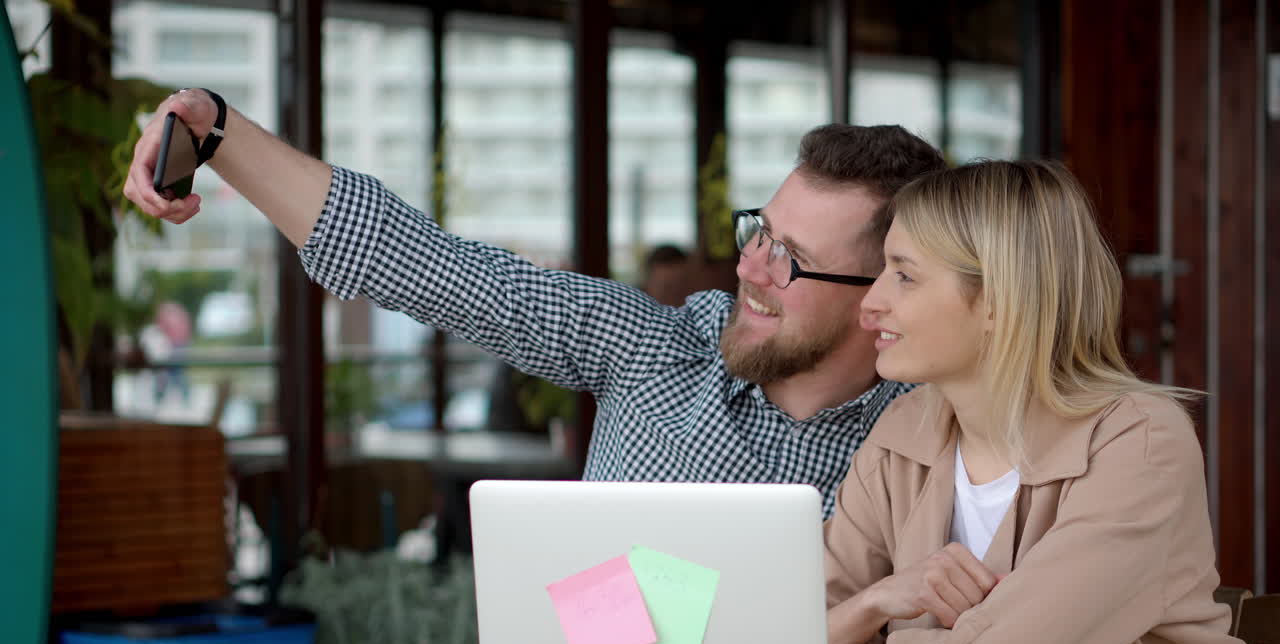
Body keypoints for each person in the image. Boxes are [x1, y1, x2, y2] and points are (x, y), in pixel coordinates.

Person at [123, 88, 945, 518]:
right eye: (758, 233)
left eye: (792, 259)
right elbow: (421, 262)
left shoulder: (940, 435)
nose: (751, 270)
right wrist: (216, 127)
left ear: (884, 294)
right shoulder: (657, 348)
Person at [823, 160, 1268, 644]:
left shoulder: (1139, 439)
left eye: (904, 276)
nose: (869, 304)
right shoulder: (904, 431)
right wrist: (871, 604)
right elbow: (793, 624)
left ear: (998, 301)